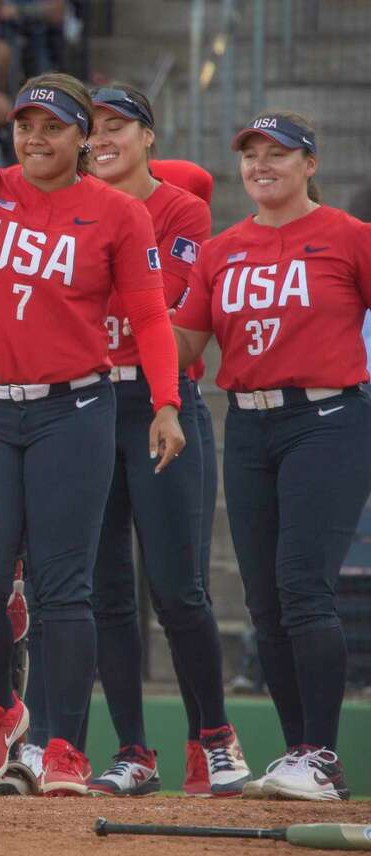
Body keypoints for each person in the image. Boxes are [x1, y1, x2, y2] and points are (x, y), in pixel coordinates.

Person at [0, 71, 186, 795]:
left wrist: (168, 401)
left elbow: (148, 315)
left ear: (83, 137)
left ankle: (65, 748)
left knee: (64, 590)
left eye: (53, 127)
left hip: (74, 410)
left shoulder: (116, 213)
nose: (36, 138)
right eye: (25, 125)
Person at [174, 111, 371, 802]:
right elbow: (185, 347)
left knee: (301, 587)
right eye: (251, 153)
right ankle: (297, 755)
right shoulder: (220, 251)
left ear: (310, 164)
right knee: (264, 601)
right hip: (250, 428)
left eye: (278, 153)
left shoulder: (351, 239)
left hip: (329, 420)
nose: (262, 164)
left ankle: (322, 756)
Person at [84, 83, 248, 798]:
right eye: (91, 128)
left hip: (161, 401)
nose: (101, 138)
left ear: (149, 135)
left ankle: (213, 737)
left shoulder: (181, 208)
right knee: (107, 594)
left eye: (116, 125)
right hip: (84, 404)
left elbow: (165, 305)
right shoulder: (66, 203)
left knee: (179, 588)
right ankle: (132, 749)